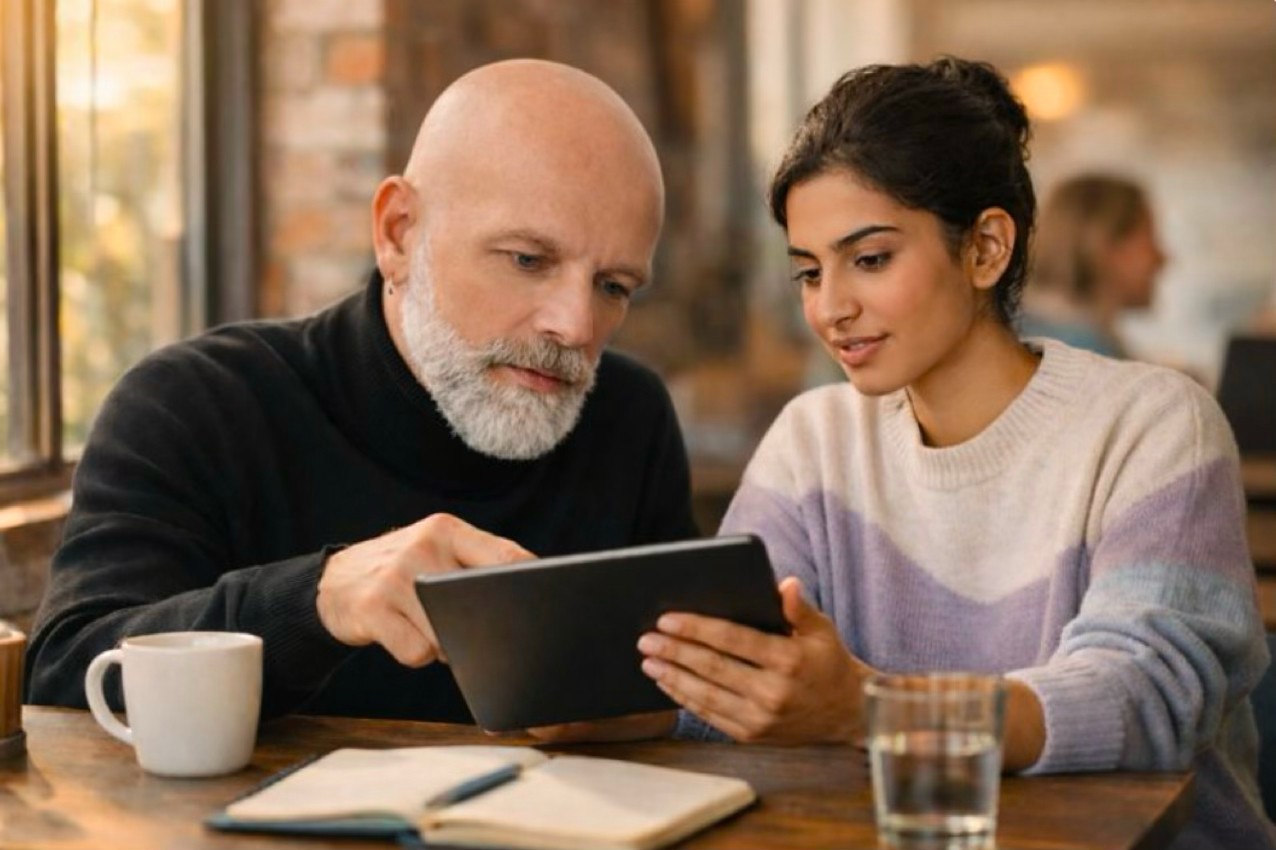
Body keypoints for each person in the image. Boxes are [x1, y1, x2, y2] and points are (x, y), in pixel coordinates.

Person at [636, 57, 1274, 849]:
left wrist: (866, 707)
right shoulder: (814, 440)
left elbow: (1142, 697)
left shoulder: (1153, 424)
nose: (830, 308)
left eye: (869, 260)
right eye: (808, 271)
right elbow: (722, 687)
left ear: (985, 250)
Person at [25, 59, 697, 723]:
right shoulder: (191, 406)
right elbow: (61, 681)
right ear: (398, 233)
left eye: (614, 286)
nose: (576, 326)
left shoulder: (628, 419)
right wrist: (316, 601)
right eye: (528, 260)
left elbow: (674, 707)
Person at [1018, 173, 1167, 358]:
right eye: (1150, 239)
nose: (1163, 258)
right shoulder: (1084, 353)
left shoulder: (1024, 334)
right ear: (1102, 243)